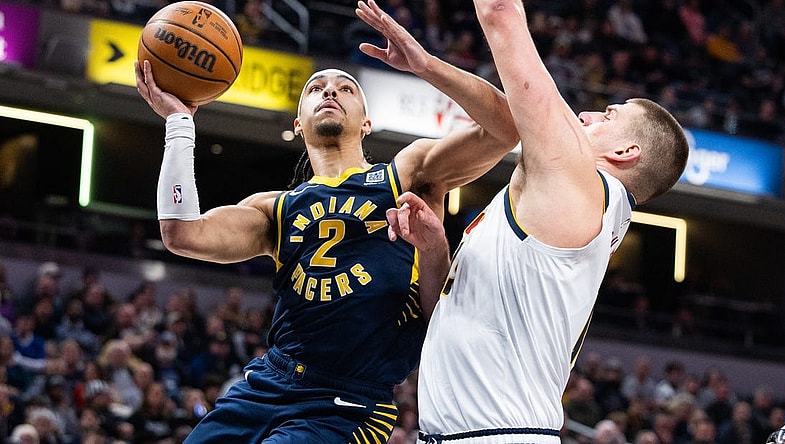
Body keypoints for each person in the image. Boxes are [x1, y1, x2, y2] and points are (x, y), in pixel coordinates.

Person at [133, 0, 518, 441]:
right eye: (316, 88)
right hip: (267, 385)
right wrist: (180, 124)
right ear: (298, 124)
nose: (330, 92)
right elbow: (182, 233)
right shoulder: (274, 209)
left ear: (367, 123)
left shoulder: (406, 175)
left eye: (346, 88)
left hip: (348, 402)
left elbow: (506, 128)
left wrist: (427, 66)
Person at [384, 0, 690, 442]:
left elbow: (501, 12)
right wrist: (434, 252)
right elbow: (447, 319)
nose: (585, 115)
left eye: (608, 116)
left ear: (626, 153)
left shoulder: (579, 189)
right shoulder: (564, 211)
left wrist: (430, 65)